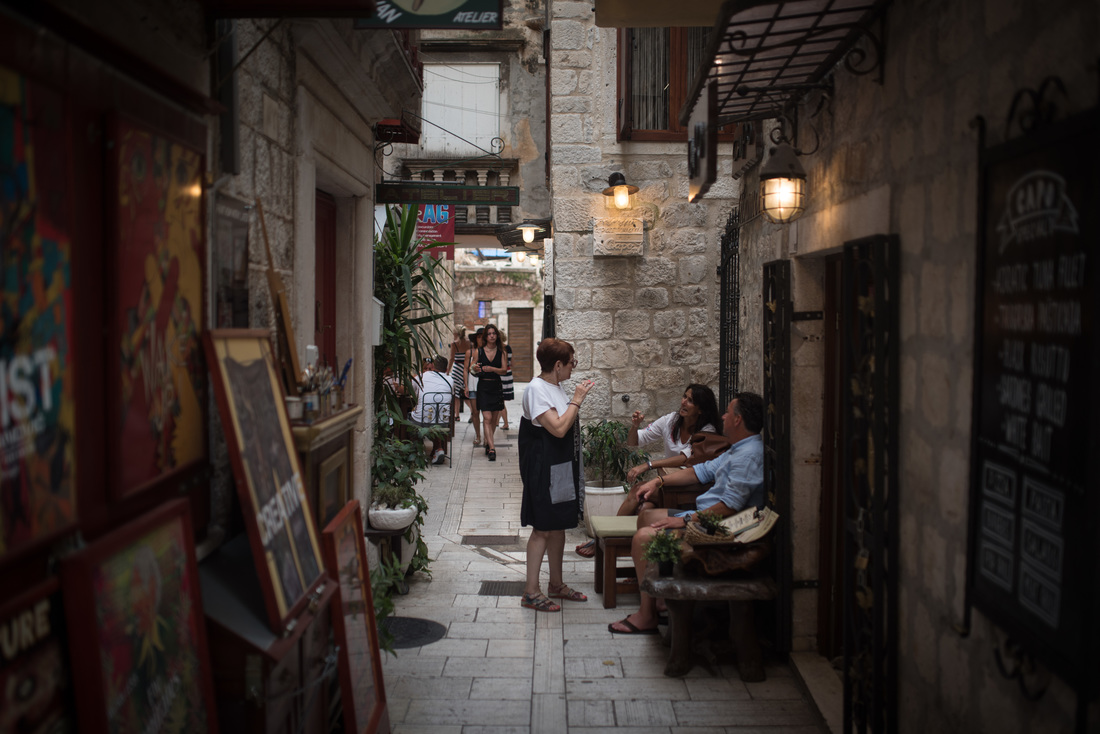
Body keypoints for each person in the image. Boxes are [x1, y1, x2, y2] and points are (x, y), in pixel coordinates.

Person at [607, 392, 765, 634]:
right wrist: (658, 482)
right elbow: (700, 471)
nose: (723, 416)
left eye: (728, 412)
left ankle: (647, 614)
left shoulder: (748, 456)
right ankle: (657, 593)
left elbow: (730, 507)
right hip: (707, 518)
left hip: (719, 531)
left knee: (643, 538)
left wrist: (685, 520)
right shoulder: (737, 449)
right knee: (647, 515)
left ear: (738, 420)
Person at [575, 384, 720, 557]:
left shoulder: (707, 430)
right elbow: (634, 441)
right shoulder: (672, 421)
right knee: (644, 509)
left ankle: (602, 540)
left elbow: (686, 458)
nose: (684, 402)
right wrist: (634, 426)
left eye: (690, 401)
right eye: (684, 397)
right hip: (668, 486)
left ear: (701, 409)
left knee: (637, 489)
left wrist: (648, 465)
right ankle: (633, 557)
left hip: (690, 489)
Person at [519, 338, 595, 612]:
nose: (574, 367)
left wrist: (572, 399)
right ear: (558, 365)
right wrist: (577, 400)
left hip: (560, 468)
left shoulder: (555, 386)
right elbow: (559, 429)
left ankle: (556, 584)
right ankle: (530, 591)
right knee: (542, 528)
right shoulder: (537, 389)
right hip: (543, 469)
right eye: (572, 362)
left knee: (559, 524)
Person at [411, 355, 455, 465]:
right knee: (436, 417)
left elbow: (411, 390)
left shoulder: (422, 376)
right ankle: (438, 449)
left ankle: (419, 450)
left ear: (433, 366)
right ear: (446, 369)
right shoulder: (450, 380)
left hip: (422, 421)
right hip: (443, 422)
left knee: (413, 417)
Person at [471, 324, 506, 461]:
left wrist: (492, 368)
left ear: (497, 335)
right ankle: (492, 448)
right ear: (486, 337)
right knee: (487, 418)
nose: (492, 335)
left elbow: (504, 370)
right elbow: (471, 368)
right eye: (489, 334)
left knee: (494, 420)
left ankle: (488, 441)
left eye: (494, 333)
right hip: (484, 386)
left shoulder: (502, 352)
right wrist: (475, 368)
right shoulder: (479, 352)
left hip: (496, 386)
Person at [465, 329, 485, 446]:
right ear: (476, 339)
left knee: (487, 413)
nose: (481, 339)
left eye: (483, 337)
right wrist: (466, 386)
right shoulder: (470, 352)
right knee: (475, 413)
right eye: (479, 337)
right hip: (473, 385)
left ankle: (488, 435)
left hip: (485, 384)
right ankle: (478, 435)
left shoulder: (489, 351)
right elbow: (466, 369)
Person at [446, 328, 471, 420]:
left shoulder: (454, 344)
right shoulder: (469, 343)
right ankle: (473, 412)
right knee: (465, 392)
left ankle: (457, 415)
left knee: (456, 393)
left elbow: (452, 358)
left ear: (456, 333)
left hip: (457, 370)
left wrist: (448, 370)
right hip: (466, 369)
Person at [499, 329, 514, 430]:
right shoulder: (508, 347)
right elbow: (512, 362)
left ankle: (505, 423)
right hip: (508, 373)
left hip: (501, 374)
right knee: (501, 399)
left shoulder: (499, 349)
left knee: (500, 400)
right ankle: (497, 421)